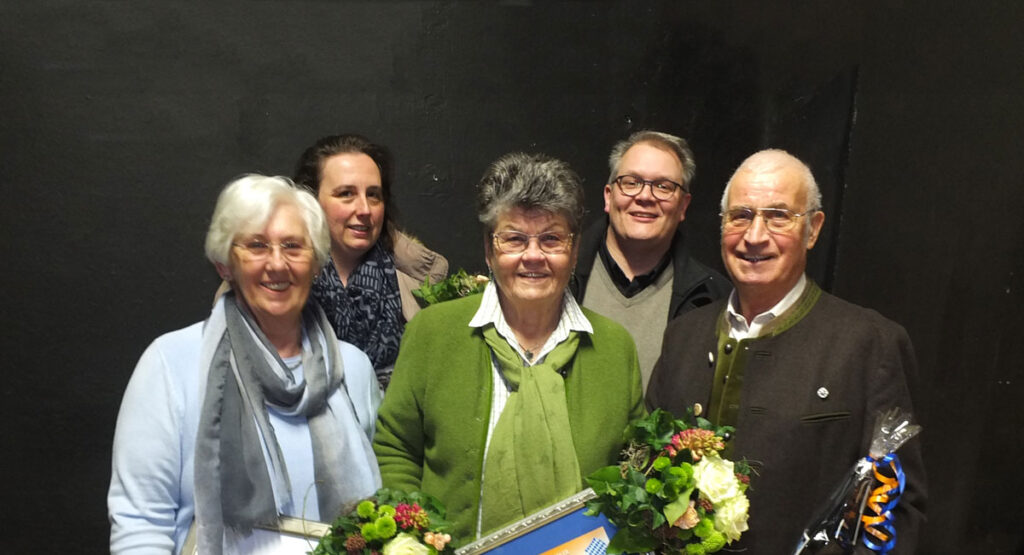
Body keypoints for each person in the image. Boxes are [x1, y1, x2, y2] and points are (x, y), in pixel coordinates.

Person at [646, 150, 926, 554]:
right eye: (740, 215)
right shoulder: (683, 336)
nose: (755, 235)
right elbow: (647, 471)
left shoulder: (869, 343)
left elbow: (898, 510)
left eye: (778, 216)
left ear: (813, 229)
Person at [373, 153, 645, 545]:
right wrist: (412, 538)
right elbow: (396, 447)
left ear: (573, 249)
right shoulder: (433, 333)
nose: (533, 256)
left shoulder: (613, 349)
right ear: (489, 249)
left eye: (551, 238)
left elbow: (631, 471)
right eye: (514, 238)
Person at [109, 175, 381, 554]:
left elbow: (380, 516)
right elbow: (141, 525)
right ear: (225, 264)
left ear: (316, 262)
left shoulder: (353, 369)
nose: (277, 263)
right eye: (256, 245)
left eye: (293, 246)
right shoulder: (170, 364)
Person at [572, 130, 730, 390]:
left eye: (663, 186)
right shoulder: (561, 277)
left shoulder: (716, 299)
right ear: (609, 196)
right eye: (631, 182)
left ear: (683, 206)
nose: (645, 196)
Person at [293, 134, 448, 391]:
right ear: (310, 201)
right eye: (346, 194)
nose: (365, 209)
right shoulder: (272, 281)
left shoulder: (419, 288)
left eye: (374, 195)